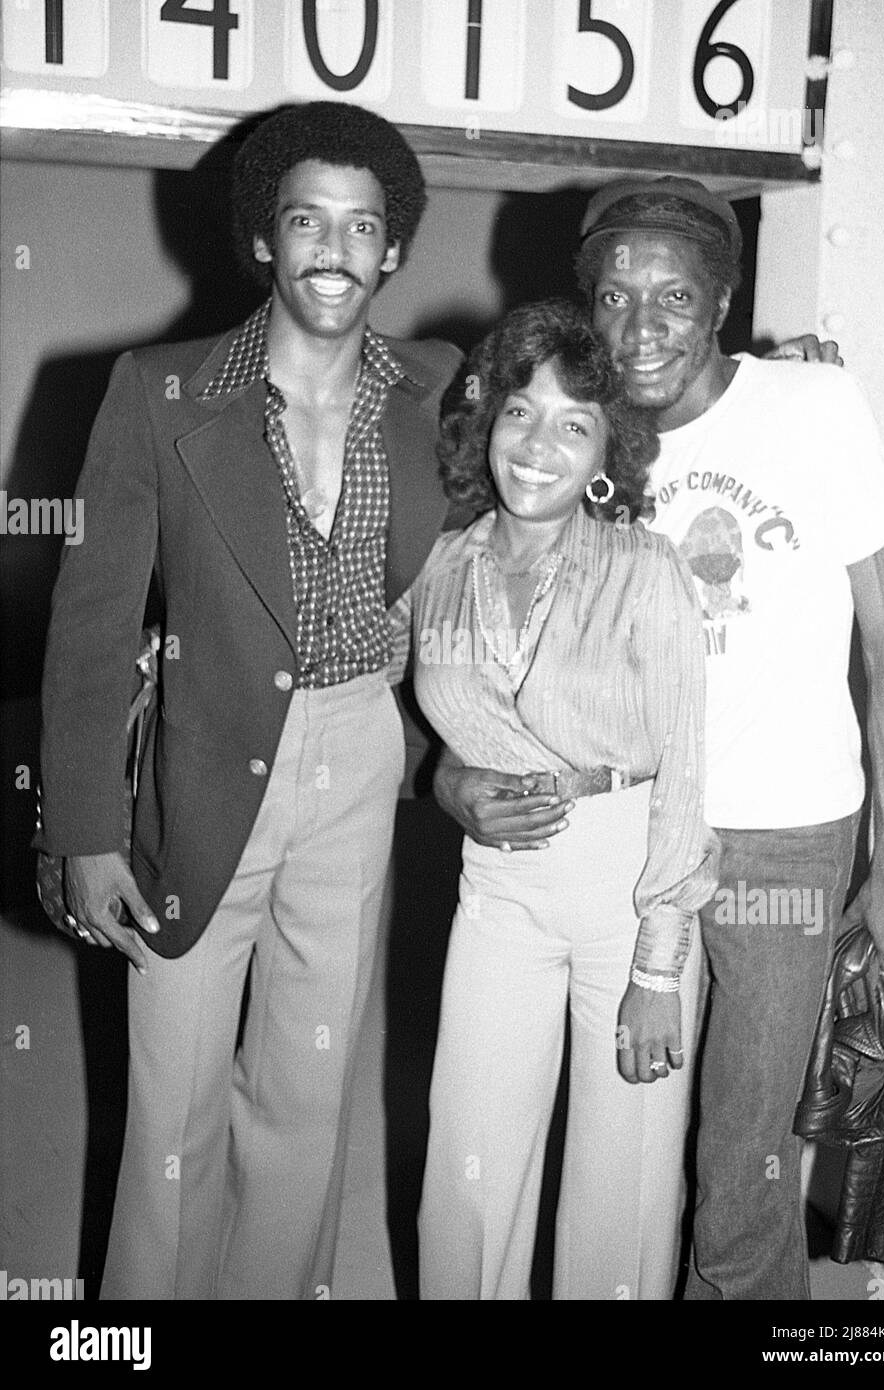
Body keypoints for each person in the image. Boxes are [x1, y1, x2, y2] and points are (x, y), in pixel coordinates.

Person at [438, 176, 884, 1301]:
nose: (641, 322)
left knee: (741, 1161)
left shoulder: (812, 406)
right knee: (629, 1147)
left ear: (719, 305)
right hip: (624, 834)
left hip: (780, 842)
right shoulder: (577, 435)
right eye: (613, 295)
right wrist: (457, 769)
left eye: (672, 294)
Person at [35, 101, 462, 1300]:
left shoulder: (436, 391)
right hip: (200, 761)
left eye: (362, 226)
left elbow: (572, 421)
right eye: (307, 222)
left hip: (358, 754)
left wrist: (767, 376)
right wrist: (82, 830)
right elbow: (91, 623)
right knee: (171, 1097)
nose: (335, 248)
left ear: (393, 249)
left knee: (307, 1093)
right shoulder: (160, 391)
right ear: (264, 242)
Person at [388, 299, 718, 1300]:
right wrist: (443, 779)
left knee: (615, 1200)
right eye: (519, 413)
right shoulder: (438, 566)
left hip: (630, 898)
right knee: (468, 1168)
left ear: (603, 449)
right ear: (483, 424)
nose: (538, 446)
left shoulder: (645, 571)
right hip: (497, 894)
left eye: (573, 424)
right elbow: (389, 705)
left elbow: (687, 771)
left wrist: (658, 964)